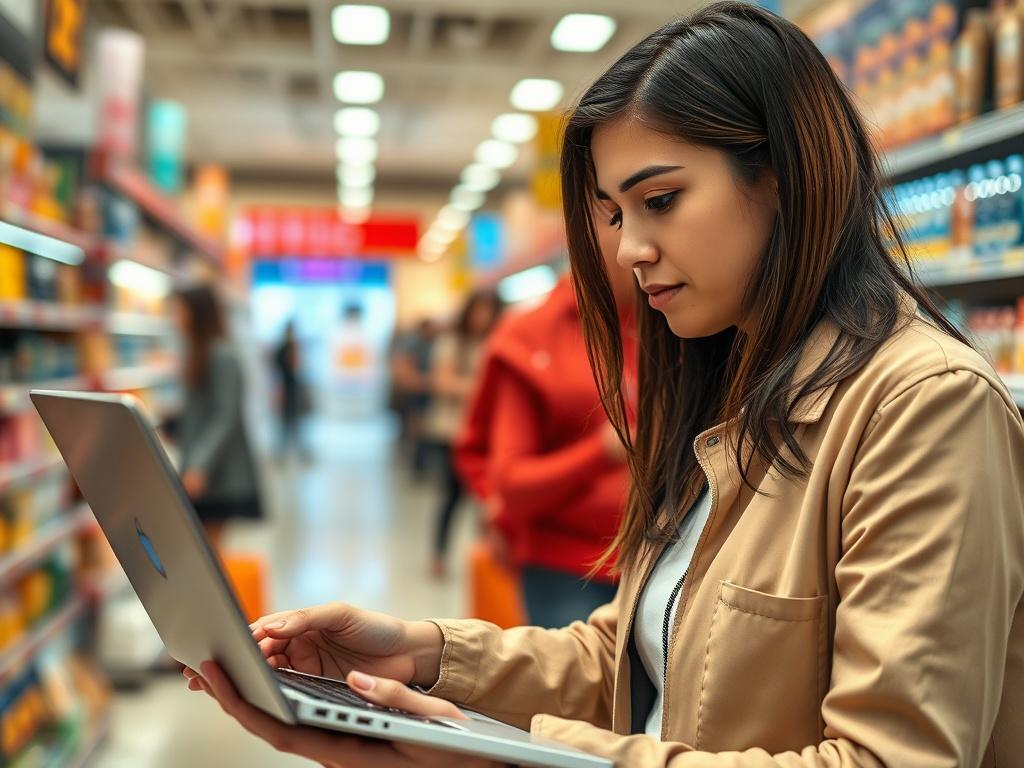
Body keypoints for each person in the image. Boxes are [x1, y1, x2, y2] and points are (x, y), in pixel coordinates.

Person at [185, 4, 1024, 766]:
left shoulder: (927, 408)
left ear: (784, 178)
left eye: (661, 199)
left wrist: (512, 755)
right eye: (615, 214)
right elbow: (641, 655)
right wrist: (427, 653)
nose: (627, 250)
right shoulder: (728, 389)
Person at [455, 234, 636, 627]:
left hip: (663, 558)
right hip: (567, 565)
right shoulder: (532, 335)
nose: (640, 244)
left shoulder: (681, 325)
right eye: (617, 214)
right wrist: (603, 451)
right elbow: (507, 478)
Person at [172, 285, 263, 552]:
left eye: (180, 311)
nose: (175, 318)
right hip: (205, 470)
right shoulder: (197, 354)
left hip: (218, 474)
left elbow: (225, 416)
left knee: (210, 551)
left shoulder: (222, 356)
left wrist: (199, 465)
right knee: (204, 549)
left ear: (197, 314)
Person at [428, 291, 503, 579]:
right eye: (477, 310)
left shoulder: (499, 341)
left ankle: (484, 555)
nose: (482, 317)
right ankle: (439, 554)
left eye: (488, 310)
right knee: (450, 497)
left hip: (489, 436)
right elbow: (442, 382)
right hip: (452, 432)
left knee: (486, 498)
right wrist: (483, 389)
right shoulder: (451, 344)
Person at [388, 318, 438, 479]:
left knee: (423, 431)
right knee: (415, 430)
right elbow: (404, 373)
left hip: (427, 395)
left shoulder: (435, 344)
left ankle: (420, 464)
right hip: (414, 395)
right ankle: (417, 466)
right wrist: (428, 382)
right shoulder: (411, 344)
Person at [272, 320, 310, 461]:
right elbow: (289, 368)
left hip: (292, 389)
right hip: (287, 389)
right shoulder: (284, 349)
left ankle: (296, 453)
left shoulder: (289, 347)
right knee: (287, 423)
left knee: (294, 423)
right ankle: (282, 453)